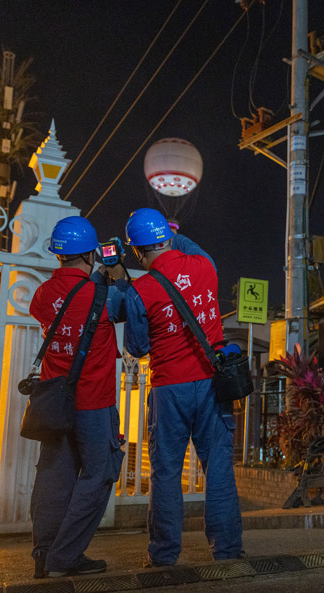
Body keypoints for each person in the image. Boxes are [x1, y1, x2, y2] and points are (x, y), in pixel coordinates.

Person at [105, 209, 242, 567]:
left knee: (165, 472)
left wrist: (120, 279)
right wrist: (170, 232)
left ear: (137, 251)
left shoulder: (140, 290)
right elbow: (186, 245)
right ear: (169, 236)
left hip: (169, 390)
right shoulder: (205, 266)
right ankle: (227, 550)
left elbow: (137, 348)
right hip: (212, 384)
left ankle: (164, 555)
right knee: (219, 468)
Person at [28, 215, 123, 579]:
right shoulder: (104, 296)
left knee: (54, 476)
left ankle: (44, 552)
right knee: (99, 475)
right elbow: (128, 304)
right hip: (94, 403)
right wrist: (112, 272)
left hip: (55, 402)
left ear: (58, 255)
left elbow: (56, 305)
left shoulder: (42, 295)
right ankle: (65, 557)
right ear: (92, 254)